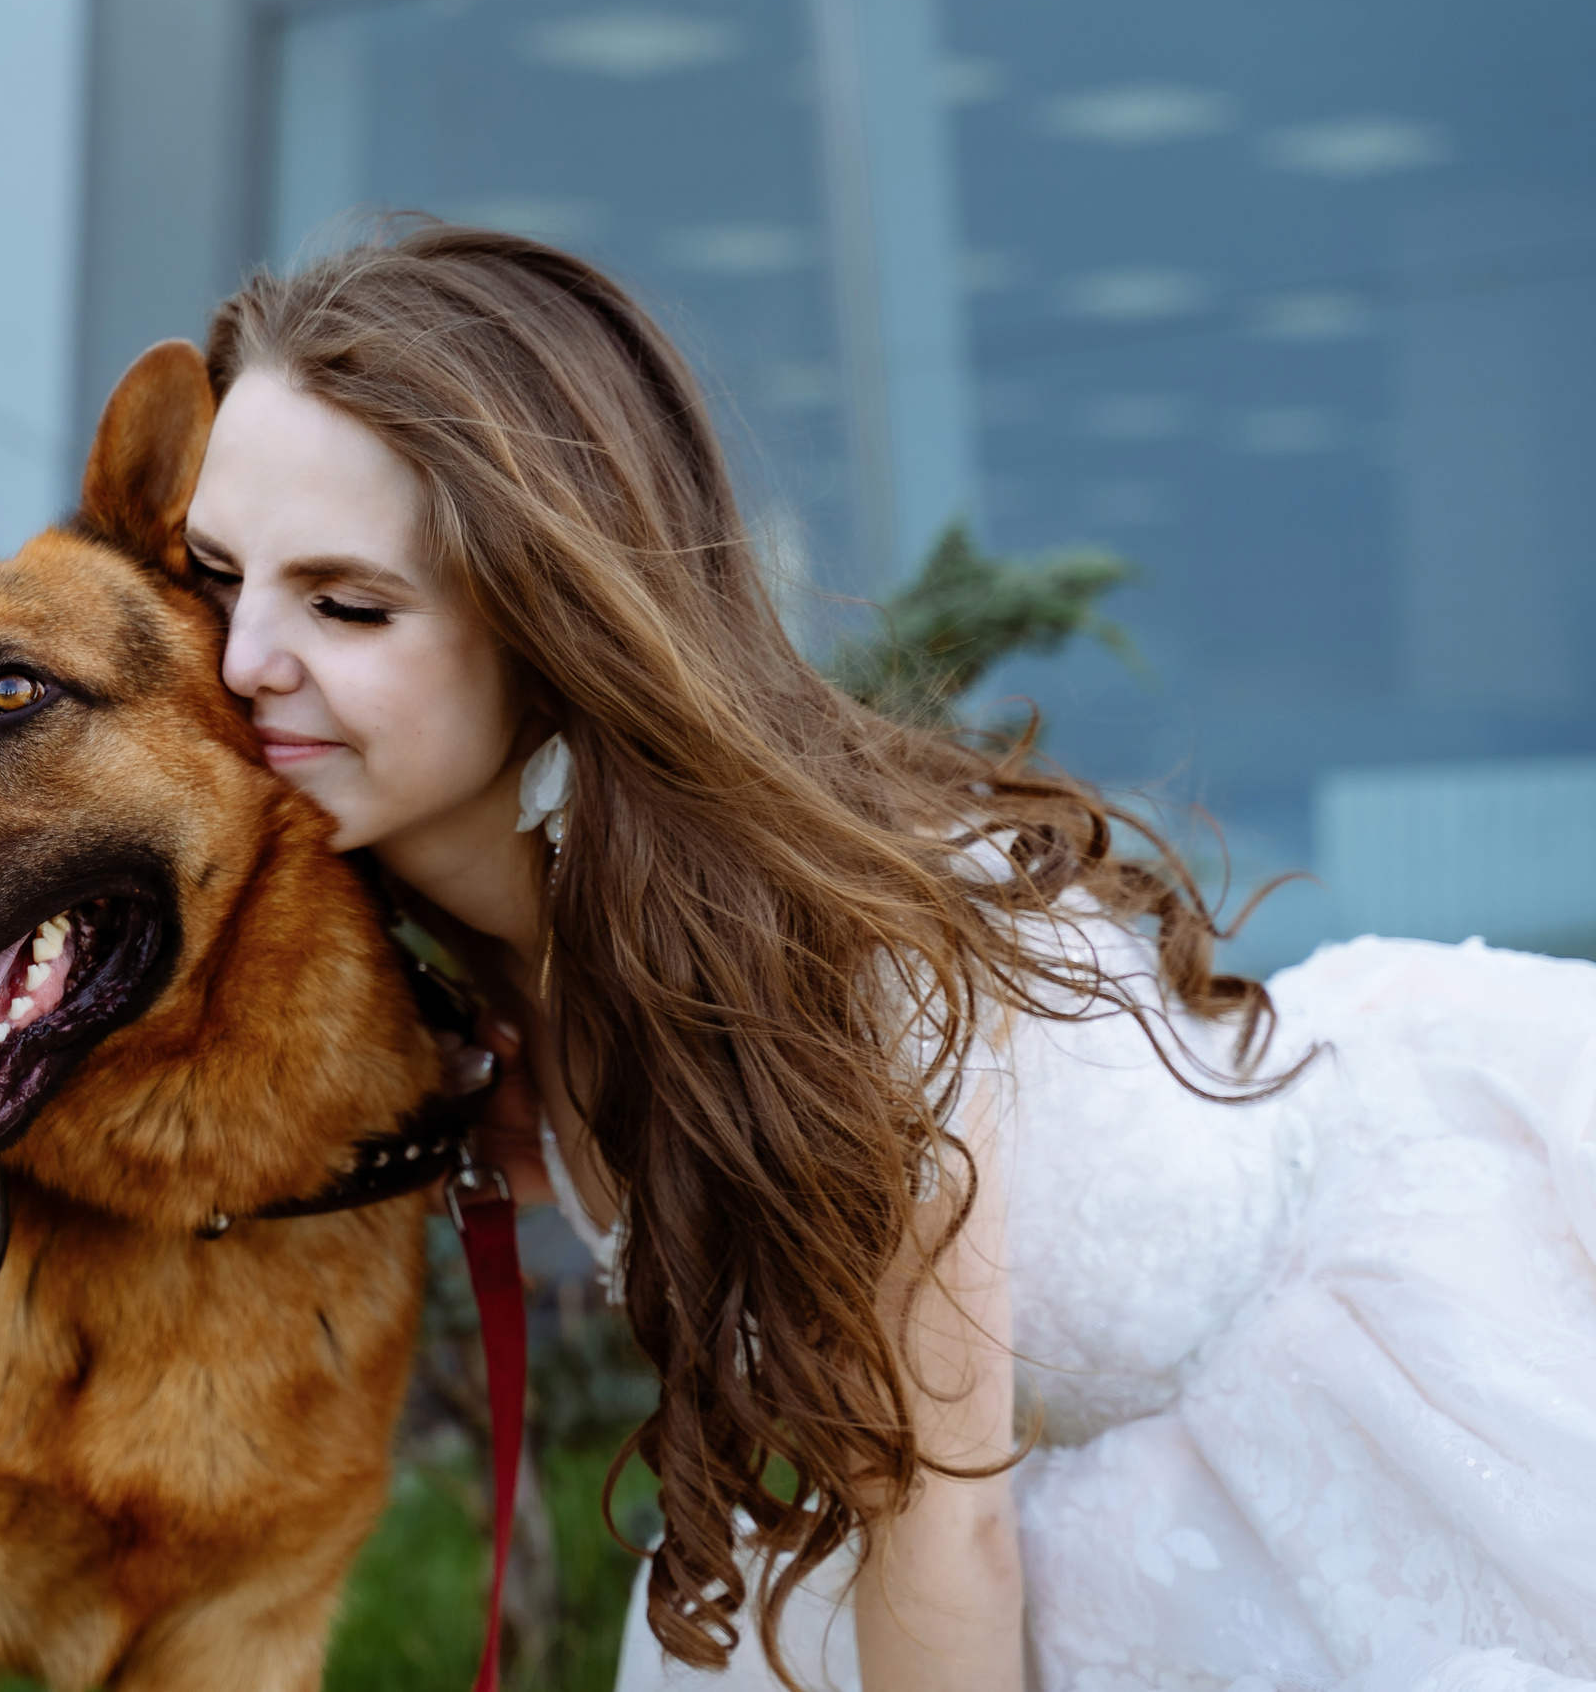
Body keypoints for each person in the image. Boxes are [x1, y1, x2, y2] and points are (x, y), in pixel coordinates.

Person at [179, 223, 1596, 1692]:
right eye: (215, 576)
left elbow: (939, 1535)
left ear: (552, 625)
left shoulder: (821, 959)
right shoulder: (469, 947)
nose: (239, 661)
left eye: (347, 603)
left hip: (1393, 1415)